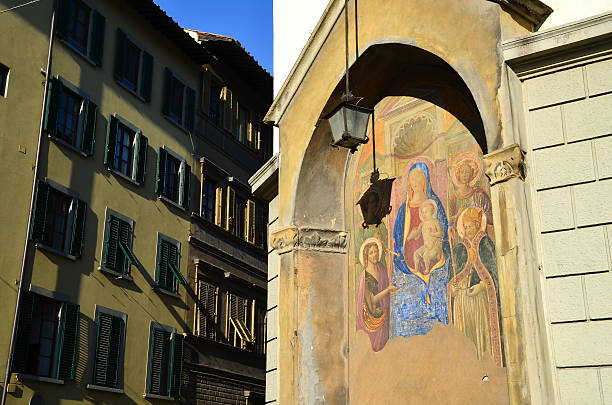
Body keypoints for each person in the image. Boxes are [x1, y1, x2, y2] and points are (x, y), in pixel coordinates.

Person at [392, 162, 450, 338]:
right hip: (409, 264)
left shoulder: (434, 204)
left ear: (425, 180)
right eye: (412, 178)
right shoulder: (405, 208)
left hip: (435, 259)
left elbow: (444, 229)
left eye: (419, 178)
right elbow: (400, 232)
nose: (416, 182)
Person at [447, 207, 504, 367]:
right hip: (463, 304)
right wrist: (453, 288)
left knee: (481, 338)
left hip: (481, 301)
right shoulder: (459, 249)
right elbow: (452, 277)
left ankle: (487, 366)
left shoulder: (485, 244)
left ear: (478, 225)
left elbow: (493, 273)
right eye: (464, 227)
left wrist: (481, 286)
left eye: (470, 226)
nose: (467, 230)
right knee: (466, 339)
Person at [356, 238, 397, 351]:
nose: (374, 255)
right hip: (372, 317)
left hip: (384, 311)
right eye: (371, 253)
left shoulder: (381, 268)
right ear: (366, 256)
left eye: (376, 252)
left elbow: (387, 281)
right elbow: (373, 300)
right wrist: (388, 290)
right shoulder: (365, 277)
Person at [406, 200, 443, 275]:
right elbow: (417, 237)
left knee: (426, 255)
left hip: (434, 247)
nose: (423, 214)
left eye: (426, 212)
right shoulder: (422, 224)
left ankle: (427, 269)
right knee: (416, 253)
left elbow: (441, 233)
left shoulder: (435, 222)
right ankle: (416, 268)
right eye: (422, 212)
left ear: (432, 212)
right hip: (426, 247)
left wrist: (434, 233)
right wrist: (415, 233)